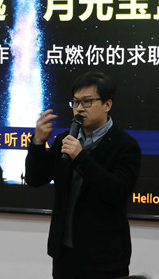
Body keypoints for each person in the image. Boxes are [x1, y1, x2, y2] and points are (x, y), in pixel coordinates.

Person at [25, 71, 142, 279]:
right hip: (65, 254)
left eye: (87, 102)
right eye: (76, 102)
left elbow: (117, 192)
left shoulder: (125, 146)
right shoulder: (65, 139)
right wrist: (37, 142)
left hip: (105, 258)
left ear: (107, 105)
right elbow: (34, 179)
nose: (79, 108)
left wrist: (80, 157)